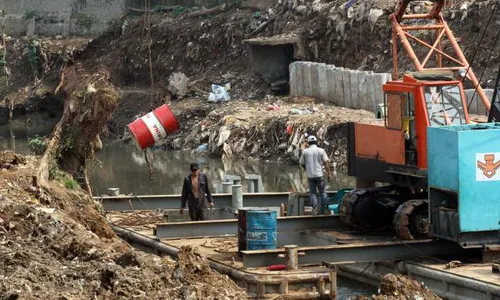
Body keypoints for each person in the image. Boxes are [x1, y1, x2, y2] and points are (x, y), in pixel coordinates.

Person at [299, 135, 332, 215]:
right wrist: (329, 174)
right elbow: (326, 163)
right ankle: (326, 209)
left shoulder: (305, 152)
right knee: (323, 192)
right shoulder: (321, 150)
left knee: (312, 193)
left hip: (310, 176)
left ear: (308, 143)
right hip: (319, 175)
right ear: (316, 142)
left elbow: (301, 163)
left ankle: (314, 209)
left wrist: (307, 169)